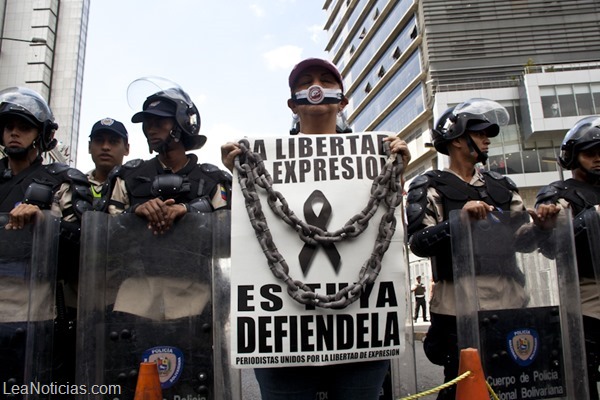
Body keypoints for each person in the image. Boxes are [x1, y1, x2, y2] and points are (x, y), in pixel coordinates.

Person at [222, 57, 411, 400]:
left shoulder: (378, 157)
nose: (316, 86)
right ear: (293, 102)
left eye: (326, 80)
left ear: (343, 99)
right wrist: (234, 172)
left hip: (362, 333)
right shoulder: (259, 160)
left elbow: (390, 230)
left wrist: (398, 169)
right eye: (307, 80)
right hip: (280, 339)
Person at [405, 98, 529, 400]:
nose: (487, 139)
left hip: (508, 300)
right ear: (458, 139)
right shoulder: (430, 185)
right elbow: (419, 241)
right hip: (457, 304)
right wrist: (458, 220)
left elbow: (525, 239)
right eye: (479, 132)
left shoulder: (501, 186)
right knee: (461, 384)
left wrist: (545, 225)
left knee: (514, 382)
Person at [0, 86, 92, 385]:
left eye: (24, 127)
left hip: (36, 313)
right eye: (9, 127)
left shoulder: (62, 180)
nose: (14, 133)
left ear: (41, 135)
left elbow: (86, 243)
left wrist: (43, 222)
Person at [531, 116, 600, 399]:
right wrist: (592, 216)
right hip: (586, 296)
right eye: (590, 153)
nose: (598, 159)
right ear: (573, 156)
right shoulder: (558, 194)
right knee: (584, 378)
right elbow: (550, 246)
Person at [102, 84, 231, 232]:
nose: (151, 130)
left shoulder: (212, 180)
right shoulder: (127, 176)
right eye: (148, 123)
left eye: (159, 122)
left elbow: (226, 231)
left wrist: (190, 211)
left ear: (182, 124)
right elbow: (108, 230)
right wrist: (135, 211)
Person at [86, 117, 129, 209]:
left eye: (113, 142)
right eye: (99, 141)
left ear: (127, 149)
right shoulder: (73, 185)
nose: (105, 147)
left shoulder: (135, 186)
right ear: (89, 147)